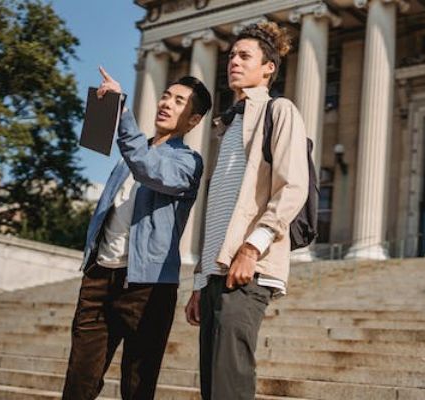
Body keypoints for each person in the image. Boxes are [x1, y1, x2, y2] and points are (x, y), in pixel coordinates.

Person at [62, 67, 212, 400]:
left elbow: (149, 169)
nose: (167, 103)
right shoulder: (128, 157)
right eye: (166, 96)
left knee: (137, 387)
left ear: (193, 120)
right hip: (99, 278)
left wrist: (122, 112)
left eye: (179, 101)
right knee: (79, 381)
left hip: (148, 287)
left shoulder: (188, 162)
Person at [184, 22, 309, 400]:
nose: (233, 62)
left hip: (247, 268)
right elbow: (221, 212)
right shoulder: (228, 124)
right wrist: (200, 282)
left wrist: (253, 248)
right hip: (216, 272)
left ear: (268, 67)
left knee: (230, 382)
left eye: (244, 56)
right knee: (213, 385)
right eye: (231, 56)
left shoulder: (279, 110)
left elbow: (293, 186)